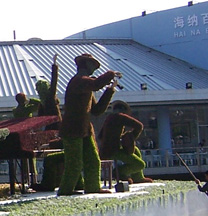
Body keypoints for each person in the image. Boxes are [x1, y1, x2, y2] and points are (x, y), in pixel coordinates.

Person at [57, 54, 117, 196]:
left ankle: (92, 187)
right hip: (72, 129)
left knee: (93, 160)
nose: (94, 70)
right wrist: (110, 74)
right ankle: (65, 191)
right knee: (74, 164)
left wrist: (110, 90)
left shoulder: (85, 85)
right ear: (85, 65)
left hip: (84, 129)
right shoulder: (78, 81)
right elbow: (96, 85)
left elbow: (96, 111)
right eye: (92, 66)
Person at [97, 101, 152, 183]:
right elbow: (139, 126)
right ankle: (119, 172)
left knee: (135, 150)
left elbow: (100, 136)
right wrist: (131, 137)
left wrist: (117, 139)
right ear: (123, 111)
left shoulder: (109, 118)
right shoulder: (120, 117)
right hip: (112, 151)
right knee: (140, 164)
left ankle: (137, 177)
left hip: (105, 150)